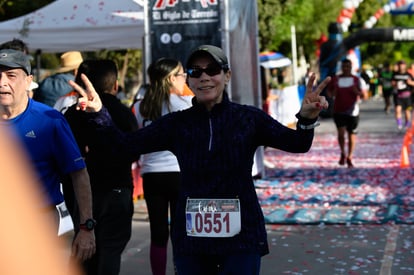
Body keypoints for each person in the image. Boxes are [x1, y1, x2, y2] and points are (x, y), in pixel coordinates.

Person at [69, 44, 330, 275]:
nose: (204, 77)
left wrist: (306, 118)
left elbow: (297, 143)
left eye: (212, 70)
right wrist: (99, 114)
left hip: (242, 235)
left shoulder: (248, 119)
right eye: (195, 72)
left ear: (226, 76)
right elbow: (122, 146)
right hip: (192, 239)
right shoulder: (176, 124)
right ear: (189, 81)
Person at [0, 49, 96, 261]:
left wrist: (86, 227)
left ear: (28, 81)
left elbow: (79, 173)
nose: (2, 82)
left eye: (11, 75)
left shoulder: (49, 120)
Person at [63, 60, 139, 275]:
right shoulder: (124, 113)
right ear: (115, 85)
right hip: (117, 190)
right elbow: (134, 151)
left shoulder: (71, 114)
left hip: (79, 195)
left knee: (81, 255)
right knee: (110, 253)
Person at [131, 58, 192, 275]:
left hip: (151, 174)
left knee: (158, 233)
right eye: (182, 75)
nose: (185, 79)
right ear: (170, 79)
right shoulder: (186, 104)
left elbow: (134, 139)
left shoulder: (140, 106)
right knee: (180, 231)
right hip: (179, 173)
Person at [327, 58, 367, 168]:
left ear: (351, 67)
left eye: (348, 66)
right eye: (344, 66)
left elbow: (365, 95)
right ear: (341, 68)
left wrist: (357, 92)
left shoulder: (357, 80)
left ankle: (350, 156)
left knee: (351, 135)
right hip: (338, 110)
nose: (346, 69)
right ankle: (342, 152)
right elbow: (329, 93)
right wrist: (332, 93)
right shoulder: (335, 79)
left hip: (353, 111)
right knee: (341, 133)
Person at [391, 60, 414, 131]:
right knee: (398, 110)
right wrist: (394, 84)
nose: (401, 66)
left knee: (407, 112)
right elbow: (392, 83)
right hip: (398, 96)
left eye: (402, 65)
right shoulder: (395, 74)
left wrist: (410, 82)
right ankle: (399, 124)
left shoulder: (408, 75)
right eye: (400, 65)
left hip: (407, 96)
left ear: (405, 66)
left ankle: (407, 124)